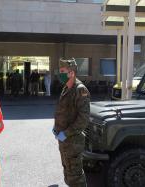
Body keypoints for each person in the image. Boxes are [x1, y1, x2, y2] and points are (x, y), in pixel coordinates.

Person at [53, 58, 90, 187]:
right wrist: (56, 128)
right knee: (68, 172)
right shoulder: (66, 88)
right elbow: (62, 111)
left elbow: (83, 119)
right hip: (64, 140)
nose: (60, 74)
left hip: (73, 140)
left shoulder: (80, 90)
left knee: (76, 176)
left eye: (62, 71)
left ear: (72, 73)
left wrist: (66, 133)